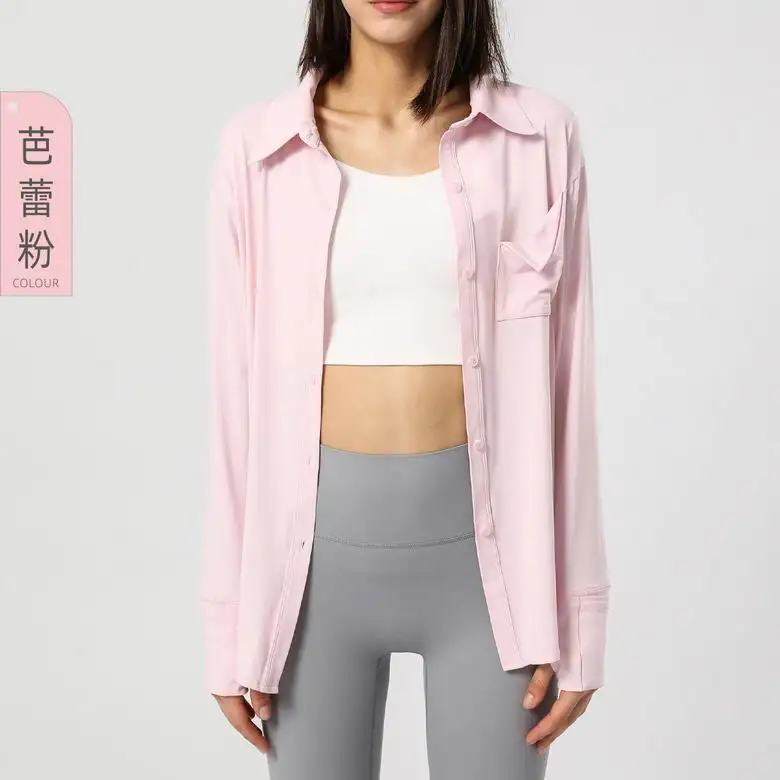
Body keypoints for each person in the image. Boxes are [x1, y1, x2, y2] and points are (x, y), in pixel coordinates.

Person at [199, 1, 611, 777]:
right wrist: (229, 626)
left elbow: (569, 388)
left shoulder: (538, 140)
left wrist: (581, 619)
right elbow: (234, 398)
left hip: (494, 584)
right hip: (308, 583)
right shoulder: (257, 150)